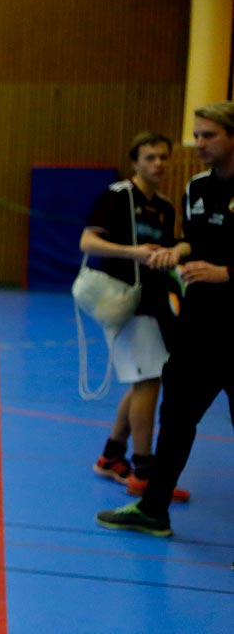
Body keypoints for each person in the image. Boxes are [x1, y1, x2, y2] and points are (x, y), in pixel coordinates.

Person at [97, 101, 234, 539]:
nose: (198, 144)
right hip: (200, 327)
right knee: (175, 417)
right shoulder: (195, 189)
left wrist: (226, 273)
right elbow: (199, 241)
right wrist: (180, 251)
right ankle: (154, 508)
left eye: (208, 135)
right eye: (196, 135)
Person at [80, 131, 188, 501]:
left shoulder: (165, 206)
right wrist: (134, 252)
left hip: (152, 298)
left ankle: (112, 456)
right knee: (149, 380)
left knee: (144, 378)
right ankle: (144, 470)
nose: (158, 164)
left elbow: (167, 247)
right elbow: (88, 242)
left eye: (163, 157)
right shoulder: (118, 196)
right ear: (135, 162)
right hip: (122, 298)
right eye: (149, 157)